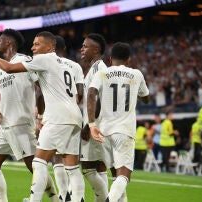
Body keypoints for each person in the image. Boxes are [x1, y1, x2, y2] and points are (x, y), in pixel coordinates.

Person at [0, 31, 85, 202]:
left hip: (43, 119)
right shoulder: (66, 64)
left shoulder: (39, 60)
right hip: (73, 115)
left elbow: (12, 70)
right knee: (72, 167)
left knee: (38, 163)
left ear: (50, 46)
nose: (33, 47)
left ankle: (45, 200)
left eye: (37, 44)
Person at [87, 42, 149, 202]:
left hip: (104, 131)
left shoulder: (102, 74)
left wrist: (92, 124)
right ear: (128, 60)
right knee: (123, 174)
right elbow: (146, 98)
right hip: (125, 130)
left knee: (111, 173)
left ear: (110, 58)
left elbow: (91, 93)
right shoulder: (137, 74)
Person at [52, 35, 84, 201]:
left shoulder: (48, 63)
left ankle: (63, 194)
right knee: (72, 162)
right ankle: (77, 197)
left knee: (55, 157)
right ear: (64, 49)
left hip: (57, 115)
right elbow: (81, 93)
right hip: (74, 115)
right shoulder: (76, 66)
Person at [80, 33, 109, 202]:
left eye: (85, 46)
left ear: (96, 50)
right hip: (97, 125)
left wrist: (88, 125)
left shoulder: (99, 67)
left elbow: (99, 99)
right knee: (99, 167)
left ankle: (106, 199)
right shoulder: (94, 68)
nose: (82, 49)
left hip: (95, 126)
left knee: (88, 168)